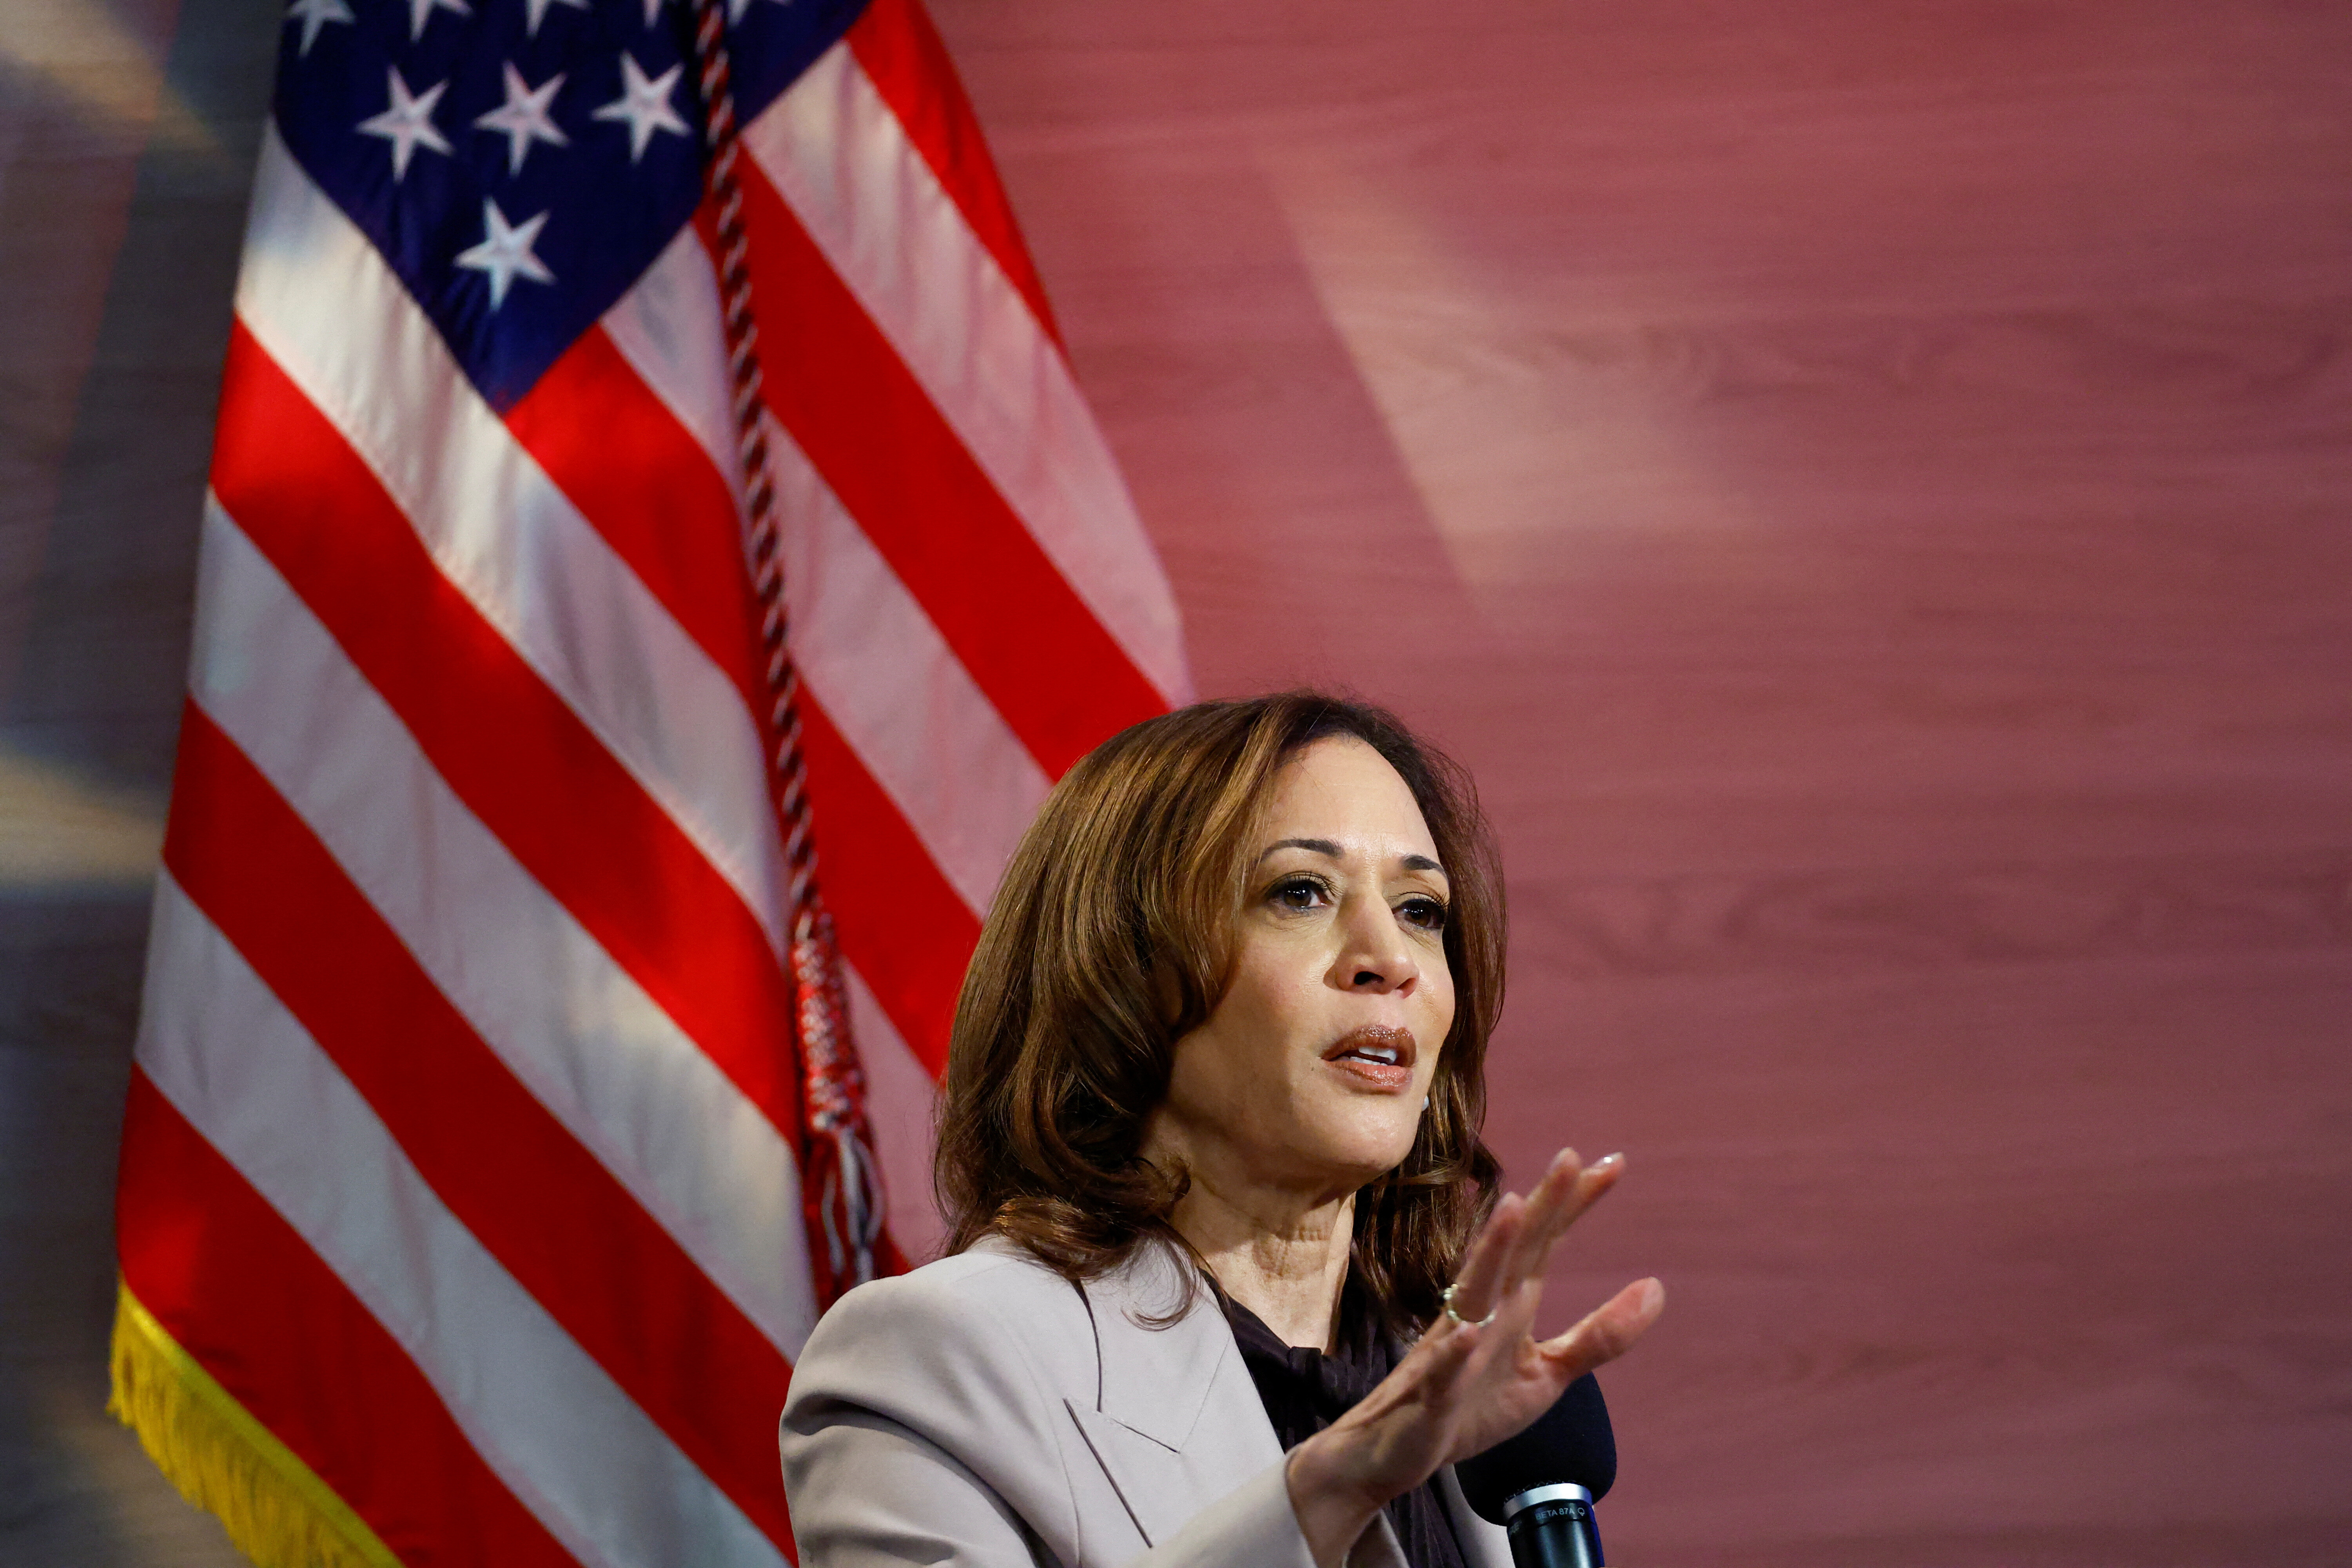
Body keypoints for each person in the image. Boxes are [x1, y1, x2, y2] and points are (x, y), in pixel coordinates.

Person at [780, 693, 1665, 1568]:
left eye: (1420, 909)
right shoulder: (935, 1363)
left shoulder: (1475, 1396)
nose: (1389, 959)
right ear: (1123, 975)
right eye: (1302, 891)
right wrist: (1327, 1488)